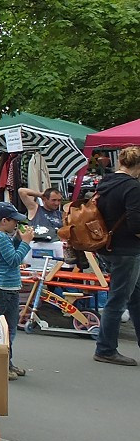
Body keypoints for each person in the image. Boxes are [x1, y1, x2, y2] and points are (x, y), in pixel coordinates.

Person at [92, 145, 140, 366]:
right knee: (119, 299)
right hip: (127, 250)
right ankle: (106, 348)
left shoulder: (105, 183)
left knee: (134, 297)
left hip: (107, 246)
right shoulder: (132, 187)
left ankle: (106, 347)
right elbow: (136, 223)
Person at [0, 202, 34, 379]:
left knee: (7, 328)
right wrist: (26, 243)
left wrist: (18, 239)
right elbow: (13, 260)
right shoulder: (1, 238)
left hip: (1, 287)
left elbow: (8, 253)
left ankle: (8, 363)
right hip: (4, 288)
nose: (16, 224)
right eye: (14, 221)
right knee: (6, 330)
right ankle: (2, 365)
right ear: (4, 221)